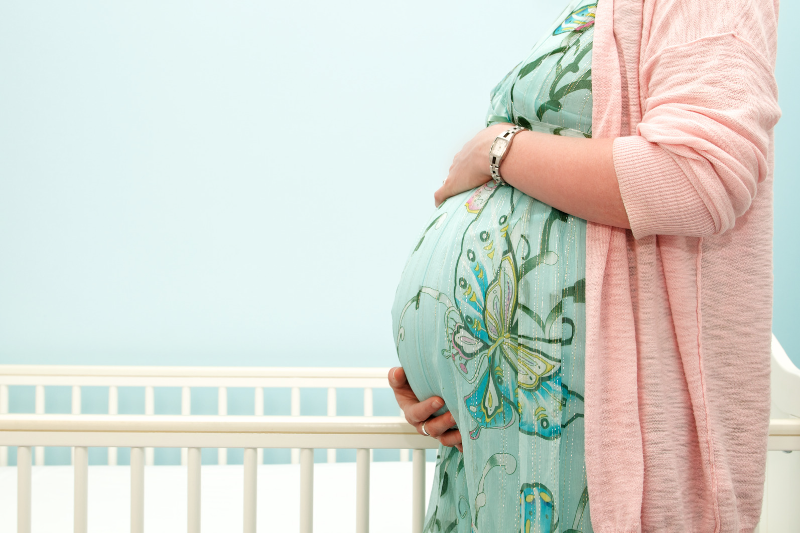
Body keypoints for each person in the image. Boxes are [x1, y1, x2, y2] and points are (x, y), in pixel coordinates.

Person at [388, 0, 781, 531]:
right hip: (497, 436)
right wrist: (447, 374)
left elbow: (697, 175)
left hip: (581, 451)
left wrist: (495, 150)